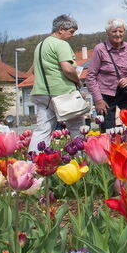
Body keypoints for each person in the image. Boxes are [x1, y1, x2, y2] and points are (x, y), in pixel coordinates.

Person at [29, 14, 86, 152]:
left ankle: (33, 163)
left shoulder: (40, 46)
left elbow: (33, 71)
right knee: (77, 128)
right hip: (62, 93)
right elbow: (67, 68)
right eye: (71, 31)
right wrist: (78, 81)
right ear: (61, 29)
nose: (72, 35)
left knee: (42, 130)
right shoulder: (61, 44)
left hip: (41, 93)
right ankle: (81, 161)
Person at [87, 18, 127, 132]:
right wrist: (98, 100)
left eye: (121, 31)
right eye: (114, 31)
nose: (118, 34)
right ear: (107, 33)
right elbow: (90, 76)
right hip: (105, 95)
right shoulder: (100, 49)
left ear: (124, 32)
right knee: (108, 129)